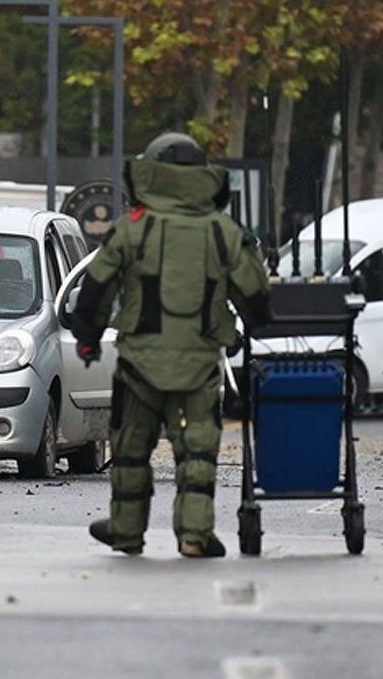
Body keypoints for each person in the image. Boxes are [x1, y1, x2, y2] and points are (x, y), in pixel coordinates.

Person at [70, 132, 272, 558]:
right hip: (200, 364)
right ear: (204, 178)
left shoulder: (133, 229)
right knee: (197, 452)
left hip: (139, 364)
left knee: (130, 448)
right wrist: (252, 325)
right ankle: (194, 536)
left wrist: (88, 338)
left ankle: (127, 531)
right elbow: (255, 298)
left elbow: (95, 290)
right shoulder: (224, 232)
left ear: (151, 174)